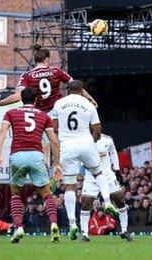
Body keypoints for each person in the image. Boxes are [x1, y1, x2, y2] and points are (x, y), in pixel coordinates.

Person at [0, 44, 97, 164]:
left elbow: (18, 96)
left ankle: (47, 170)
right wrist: (90, 99)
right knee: (65, 142)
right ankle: (68, 168)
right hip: (58, 111)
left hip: (41, 115)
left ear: (35, 60)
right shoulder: (56, 71)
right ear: (47, 59)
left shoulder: (27, 75)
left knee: (45, 147)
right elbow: (76, 87)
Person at [0, 87, 62, 243]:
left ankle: (18, 227)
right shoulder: (44, 116)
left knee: (16, 194)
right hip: (36, 156)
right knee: (46, 194)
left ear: (21, 99)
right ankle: (53, 224)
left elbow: (2, 132)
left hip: (17, 155)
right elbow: (54, 141)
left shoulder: (11, 113)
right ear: (36, 100)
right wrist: (56, 164)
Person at [52, 80, 116, 241]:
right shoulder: (89, 105)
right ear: (82, 91)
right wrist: (91, 144)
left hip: (67, 146)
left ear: (67, 90)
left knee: (70, 186)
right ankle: (107, 201)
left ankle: (72, 223)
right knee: (98, 172)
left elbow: (54, 127)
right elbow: (97, 130)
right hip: (86, 143)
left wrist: (65, 136)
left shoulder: (59, 103)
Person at [79, 133, 134, 242]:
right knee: (85, 203)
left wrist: (117, 169)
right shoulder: (84, 141)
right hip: (92, 177)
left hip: (108, 175)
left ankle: (124, 231)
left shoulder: (108, 140)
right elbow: (82, 162)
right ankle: (85, 234)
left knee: (120, 200)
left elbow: (113, 153)